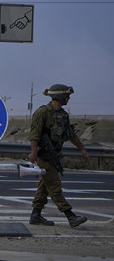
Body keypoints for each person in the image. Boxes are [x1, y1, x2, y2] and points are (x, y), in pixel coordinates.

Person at [27, 84, 90, 228]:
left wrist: (82, 149)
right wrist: (34, 152)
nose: (68, 98)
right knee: (54, 186)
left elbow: (71, 134)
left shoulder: (63, 115)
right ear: (60, 96)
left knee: (44, 186)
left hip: (54, 155)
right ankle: (70, 216)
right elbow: (34, 134)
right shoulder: (42, 113)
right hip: (44, 156)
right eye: (67, 96)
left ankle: (35, 214)